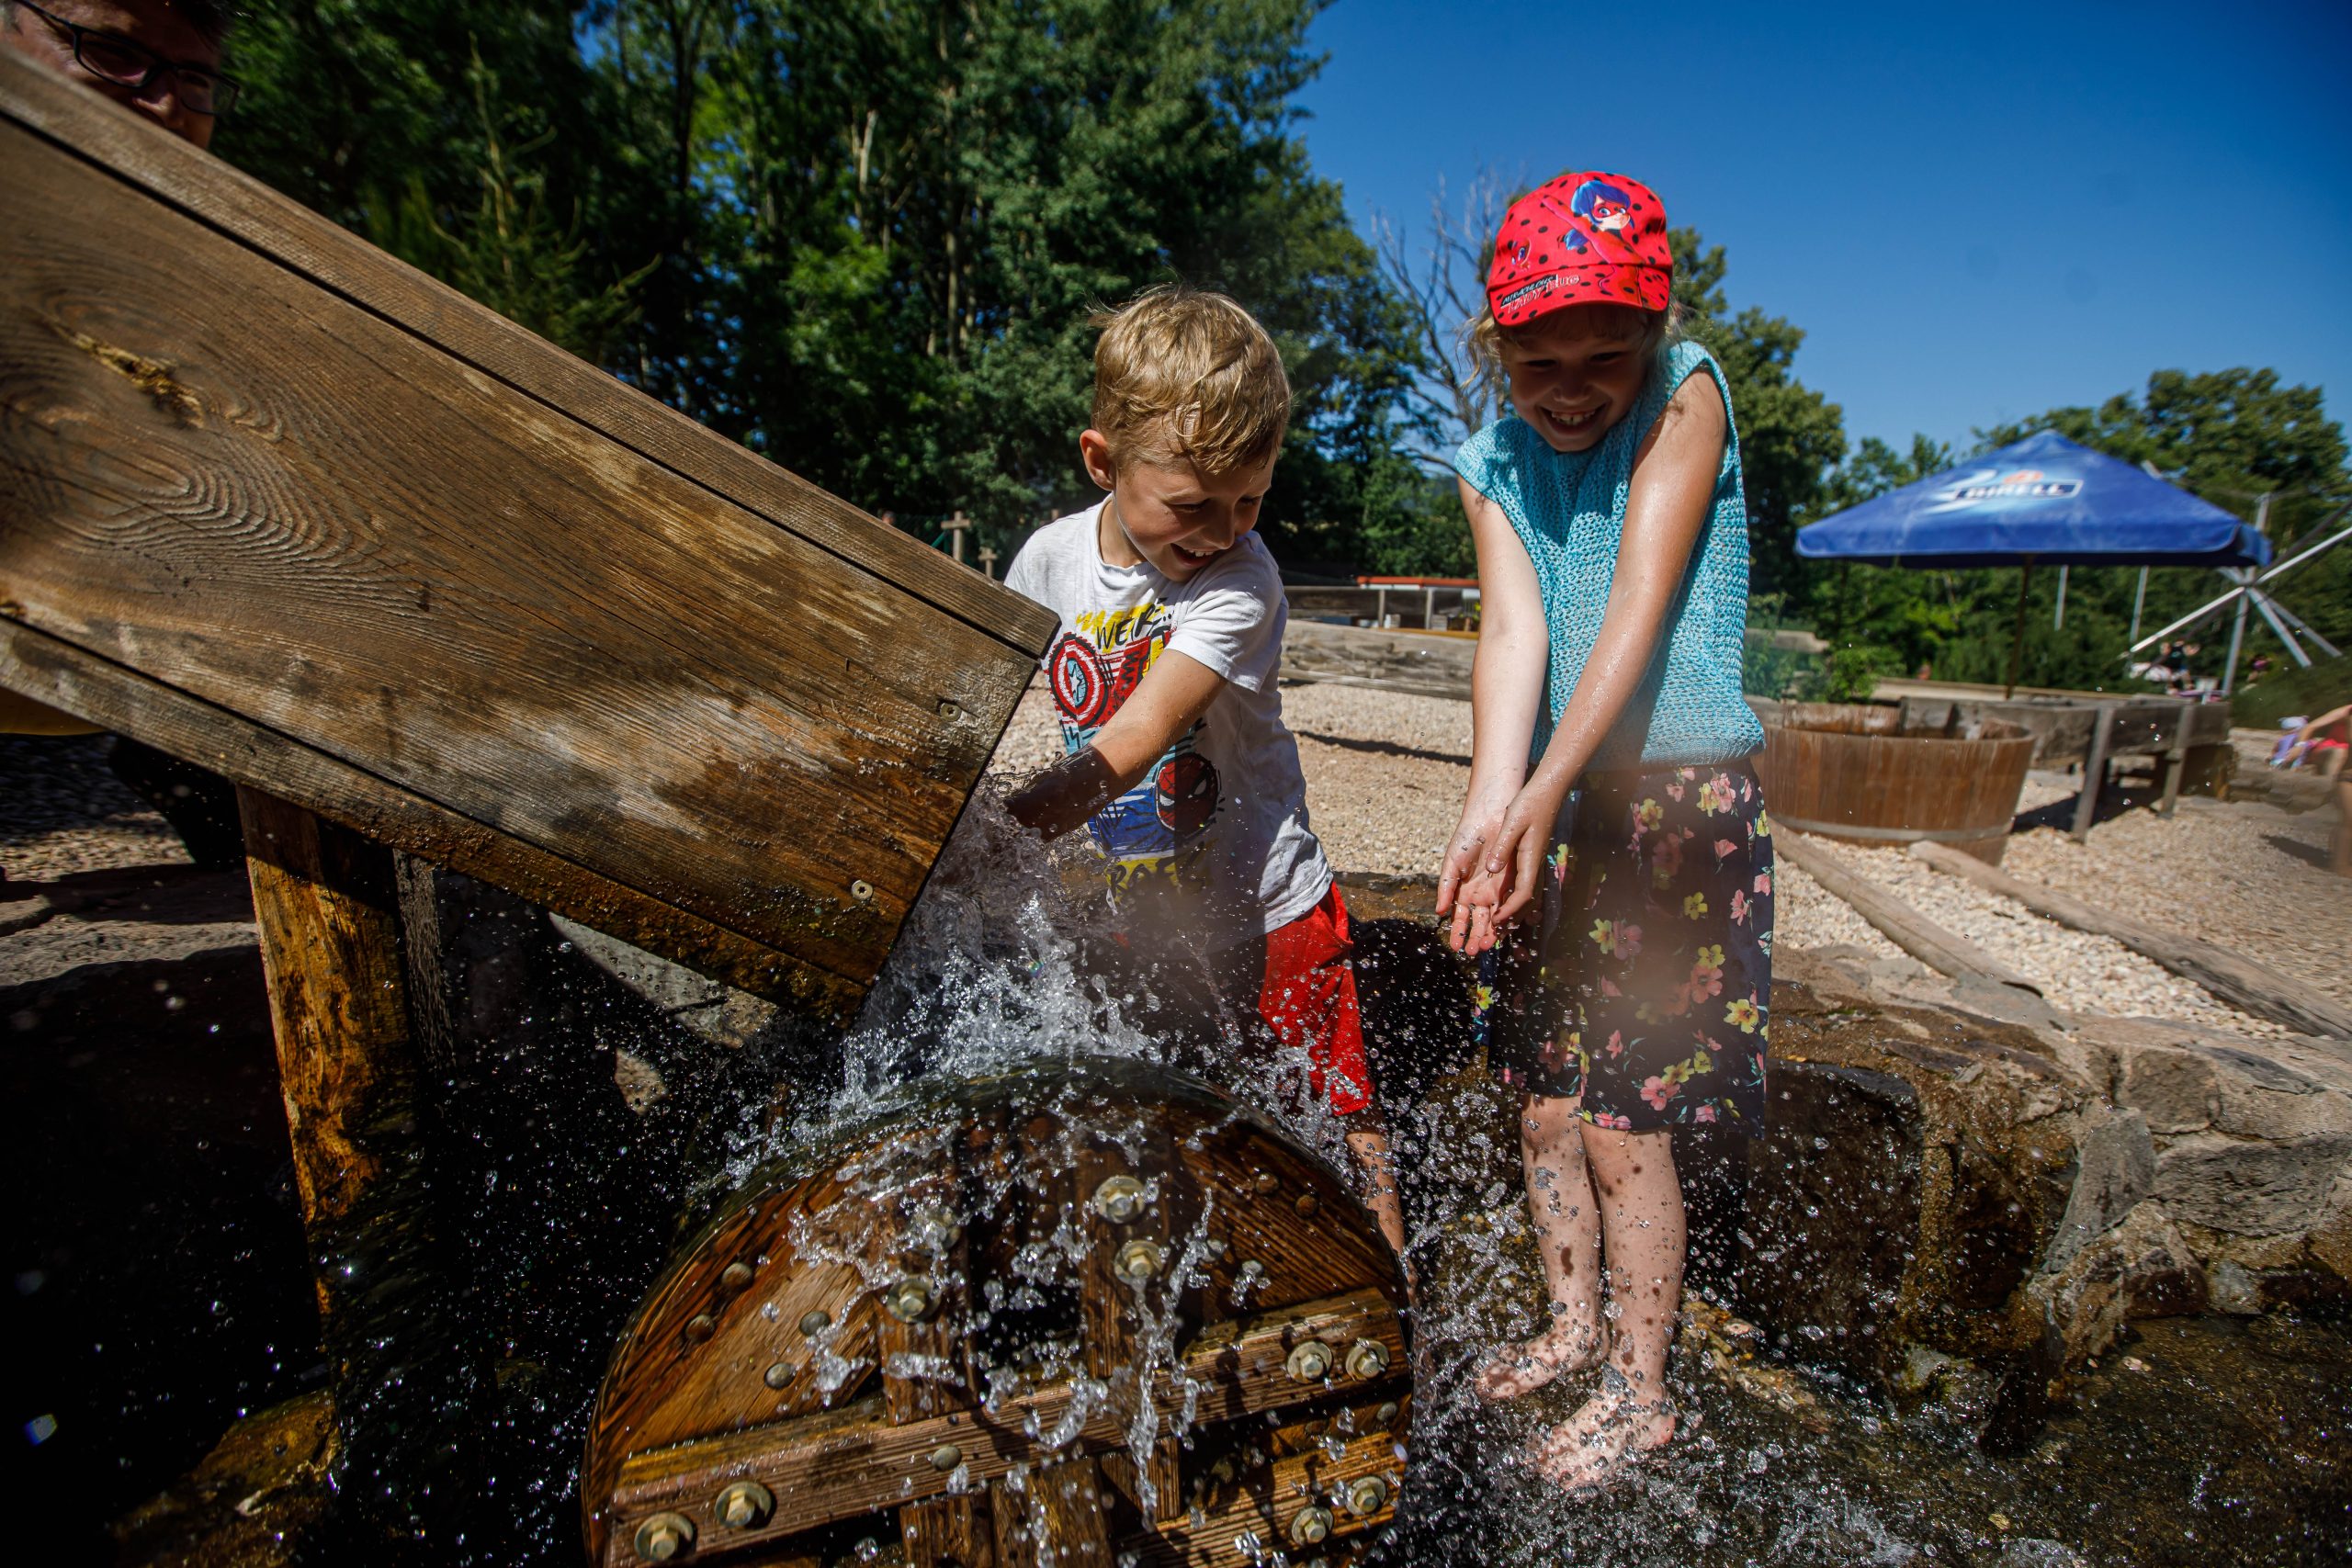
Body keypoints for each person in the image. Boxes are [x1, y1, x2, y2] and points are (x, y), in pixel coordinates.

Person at [1435, 172, 1771, 1489]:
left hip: (1678, 807)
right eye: (1537, 364)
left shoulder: (1688, 393)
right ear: (1496, 349)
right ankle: (1571, 1322)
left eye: (1600, 358)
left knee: (1633, 1125)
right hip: (1566, 806)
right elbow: (1515, 635)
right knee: (1547, 1102)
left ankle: (1643, 1393)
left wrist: (1536, 793)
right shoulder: (1490, 463)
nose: (1570, 389)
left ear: (1654, 327)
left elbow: (1634, 610)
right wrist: (1490, 811)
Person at [1001, 287, 1409, 1259]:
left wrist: (1003, 831)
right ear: (1102, 460)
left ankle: (1395, 1310)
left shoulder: (1241, 580)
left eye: (1250, 499)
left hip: (1268, 905)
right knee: (1174, 1109)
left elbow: (1140, 730)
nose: (1224, 527)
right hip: (1141, 902)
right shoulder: (1048, 559)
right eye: (1192, 504)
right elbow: (1000, 699)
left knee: (1337, 1123)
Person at [2, 0, 249, 865]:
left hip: (143, 646)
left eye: (193, 78)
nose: (165, 105)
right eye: (111, 53)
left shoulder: (218, 275)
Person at [2282, 704, 2352, 875]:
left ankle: (2339, 859)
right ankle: (2339, 864)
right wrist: (2299, 745)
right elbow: (2311, 726)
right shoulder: (2348, 713)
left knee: (2346, 821)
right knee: (2349, 820)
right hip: (2346, 776)